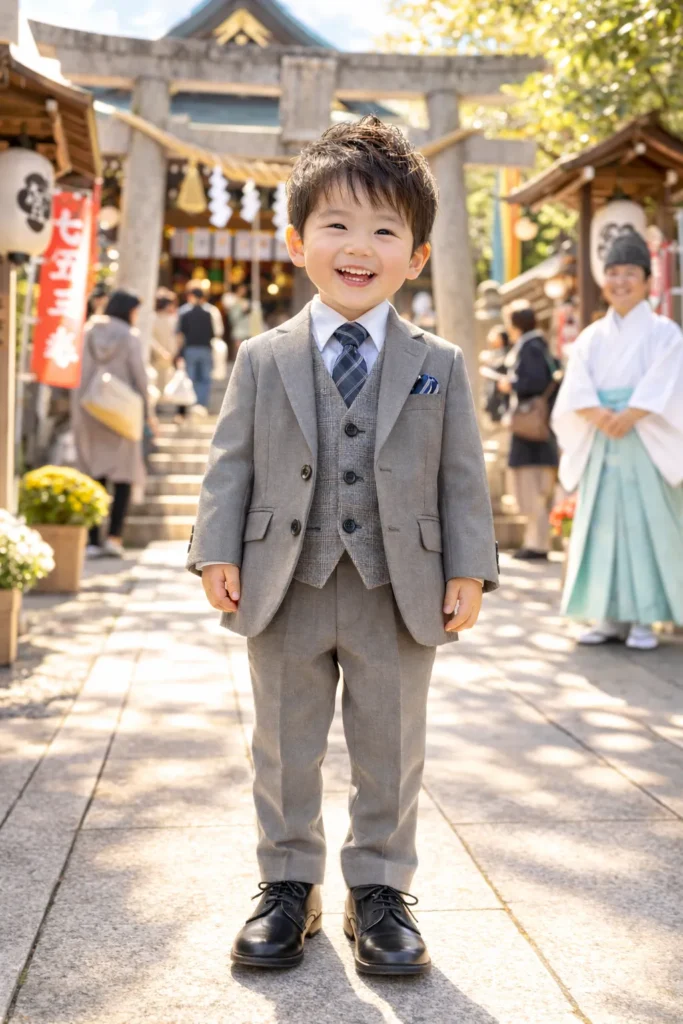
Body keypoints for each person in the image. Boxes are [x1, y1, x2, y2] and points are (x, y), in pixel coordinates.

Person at [188, 116, 499, 976]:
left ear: (418, 254)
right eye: (335, 224)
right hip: (280, 577)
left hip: (399, 581)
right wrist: (216, 549)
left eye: (384, 229)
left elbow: (462, 472)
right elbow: (230, 461)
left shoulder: (439, 361)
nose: (358, 246)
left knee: (391, 741)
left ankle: (380, 889)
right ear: (295, 241)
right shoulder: (261, 356)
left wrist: (470, 566)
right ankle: (288, 884)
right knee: (283, 742)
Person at [552, 232, 683, 651]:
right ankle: (607, 616)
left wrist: (629, 414)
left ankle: (646, 618)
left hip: (644, 439)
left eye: (630, 273)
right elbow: (575, 388)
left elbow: (667, 382)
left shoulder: (665, 332)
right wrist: (600, 416)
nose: (620, 281)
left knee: (647, 528)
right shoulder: (591, 336)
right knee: (601, 529)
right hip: (602, 439)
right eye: (612, 272)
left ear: (647, 281)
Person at [72, 289, 152, 558]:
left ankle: (92, 540)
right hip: (121, 414)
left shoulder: (88, 331)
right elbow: (139, 376)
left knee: (93, 474)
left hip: (90, 409)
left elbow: (77, 370)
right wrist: (149, 412)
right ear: (127, 310)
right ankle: (114, 538)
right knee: (123, 476)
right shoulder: (129, 337)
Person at [498, 303, 559, 560]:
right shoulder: (540, 345)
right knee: (536, 490)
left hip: (531, 432)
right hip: (542, 430)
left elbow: (533, 381)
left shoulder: (530, 347)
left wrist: (510, 384)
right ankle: (535, 541)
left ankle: (537, 544)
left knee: (530, 490)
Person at [176, 287, 215, 410]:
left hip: (190, 349)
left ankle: (190, 405)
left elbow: (180, 335)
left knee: (190, 378)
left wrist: (179, 352)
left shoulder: (185, 313)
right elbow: (212, 333)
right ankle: (201, 405)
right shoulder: (208, 313)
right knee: (204, 379)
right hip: (205, 348)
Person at [150, 289, 178, 396]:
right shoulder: (153, 318)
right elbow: (150, 339)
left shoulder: (172, 318)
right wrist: (160, 351)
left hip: (169, 355)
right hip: (156, 356)